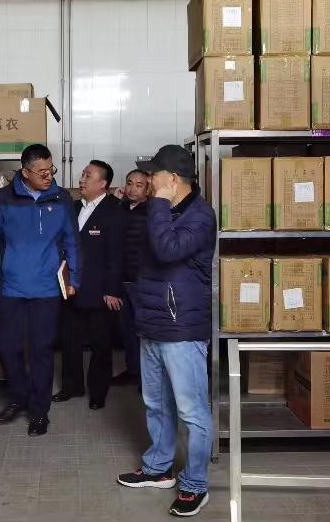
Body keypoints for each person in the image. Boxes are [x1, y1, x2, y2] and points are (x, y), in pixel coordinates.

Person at [116, 145, 217, 518]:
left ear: (172, 179)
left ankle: (195, 484)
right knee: (156, 403)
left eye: (153, 175)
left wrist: (156, 204)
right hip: (152, 322)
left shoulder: (200, 216)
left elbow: (167, 249)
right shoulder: (162, 210)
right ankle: (158, 468)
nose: (147, 180)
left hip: (182, 329)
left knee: (192, 411)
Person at [0, 143, 81, 437]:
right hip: (10, 288)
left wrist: (74, 279)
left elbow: (72, 241)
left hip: (47, 289)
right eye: (42, 172)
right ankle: (18, 397)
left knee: (41, 351)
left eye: (51, 170)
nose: (49, 176)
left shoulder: (62, 198)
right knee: (8, 347)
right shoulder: (3, 199)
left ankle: (39, 411)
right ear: (25, 172)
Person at [53, 160, 123, 409]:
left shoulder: (114, 211)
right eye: (82, 174)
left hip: (99, 291)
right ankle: (72, 387)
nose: (81, 179)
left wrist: (112, 290)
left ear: (102, 183)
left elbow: (116, 256)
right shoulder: (73, 207)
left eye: (87, 175)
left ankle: (98, 393)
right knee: (69, 341)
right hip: (71, 288)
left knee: (100, 345)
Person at [111, 169, 149, 385]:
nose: (133, 189)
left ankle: (146, 378)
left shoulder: (151, 210)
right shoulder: (121, 208)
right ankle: (132, 370)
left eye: (139, 185)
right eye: (129, 183)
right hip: (121, 279)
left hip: (141, 281)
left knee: (143, 330)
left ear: (147, 189)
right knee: (127, 329)